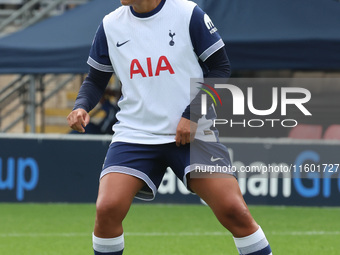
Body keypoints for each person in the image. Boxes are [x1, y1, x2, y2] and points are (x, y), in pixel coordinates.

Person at [67, 0, 273, 254]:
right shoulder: (110, 25)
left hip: (193, 132)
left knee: (234, 211)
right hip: (135, 134)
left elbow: (220, 67)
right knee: (107, 208)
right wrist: (81, 106)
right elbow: (96, 79)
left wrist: (193, 114)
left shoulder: (188, 13)